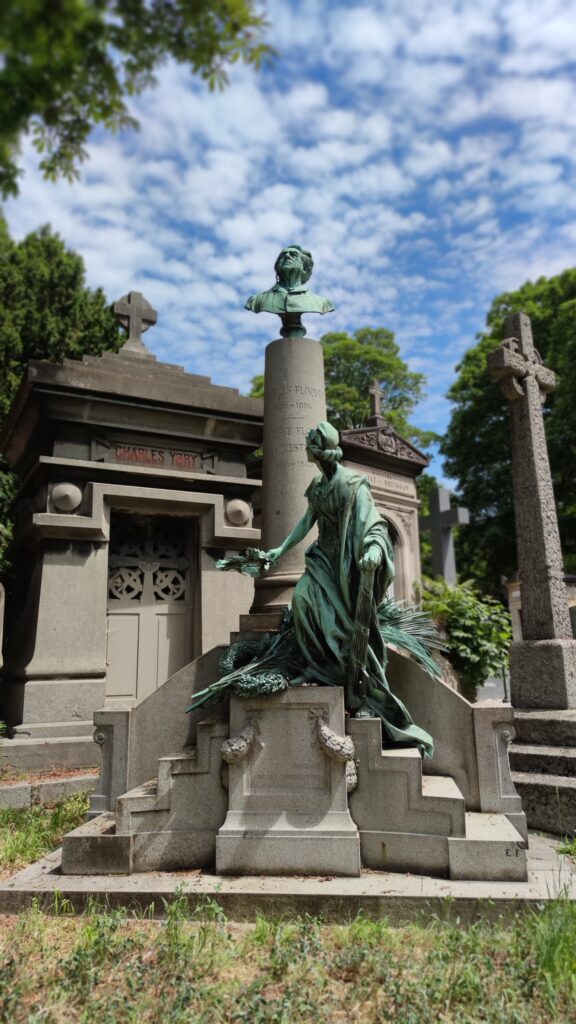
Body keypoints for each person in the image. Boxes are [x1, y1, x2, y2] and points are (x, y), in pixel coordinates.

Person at [265, 420, 434, 756]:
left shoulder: (353, 483)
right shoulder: (317, 486)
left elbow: (373, 523)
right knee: (301, 602)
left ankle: (360, 688)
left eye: (309, 443)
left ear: (317, 450)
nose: (306, 449)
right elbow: (306, 522)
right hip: (322, 561)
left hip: (347, 564)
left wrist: (373, 549)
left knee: (343, 626)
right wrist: (280, 550)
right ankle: (316, 667)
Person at [245, 245, 335, 316]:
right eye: (282, 256)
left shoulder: (322, 303)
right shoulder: (257, 301)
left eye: (293, 255)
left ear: (304, 267)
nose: (287, 256)